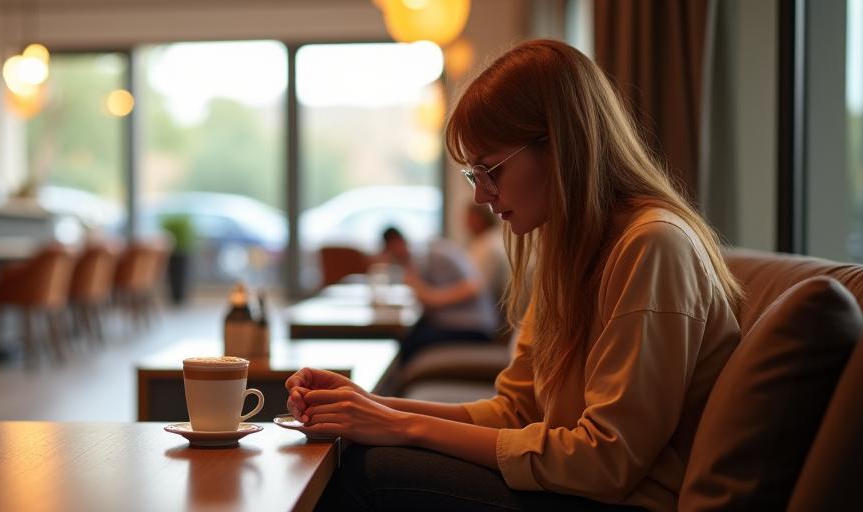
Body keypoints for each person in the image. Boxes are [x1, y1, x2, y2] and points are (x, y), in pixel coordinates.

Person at [286, 39, 742, 511]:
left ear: (561, 146)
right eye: (474, 175)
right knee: (362, 451)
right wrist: (374, 406)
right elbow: (515, 411)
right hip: (581, 488)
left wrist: (401, 426)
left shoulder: (652, 246)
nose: (482, 196)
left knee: (369, 471)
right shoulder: (567, 250)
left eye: (490, 170)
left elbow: (606, 461)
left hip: (623, 499)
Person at [377, 226, 497, 365]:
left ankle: (400, 384)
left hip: (473, 326)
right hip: (455, 323)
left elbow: (475, 286)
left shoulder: (435, 254)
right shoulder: (417, 260)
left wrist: (429, 295)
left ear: (397, 242)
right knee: (408, 336)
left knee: (409, 343)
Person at [464, 203, 509, 305]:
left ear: (481, 219)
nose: (465, 222)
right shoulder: (482, 241)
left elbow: (480, 287)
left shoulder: (490, 245)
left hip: (488, 308)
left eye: (470, 217)